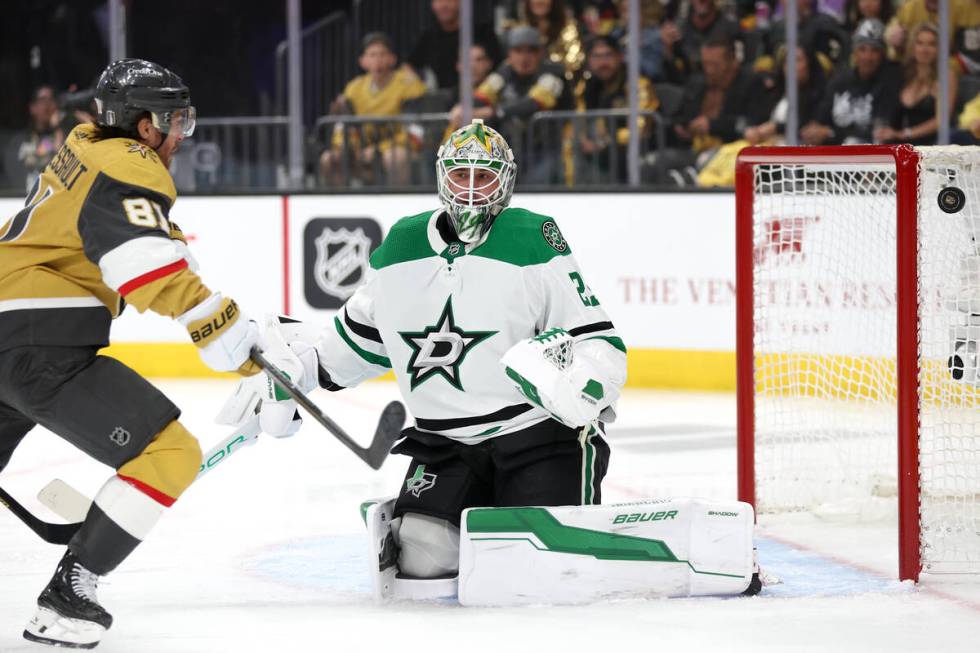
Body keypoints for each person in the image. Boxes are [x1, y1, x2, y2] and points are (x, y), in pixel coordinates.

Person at [238, 118, 626, 588]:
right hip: (446, 445)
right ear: (443, 177)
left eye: (483, 176)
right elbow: (351, 345)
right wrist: (293, 373)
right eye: (460, 175)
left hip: (537, 436)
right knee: (423, 561)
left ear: (505, 181)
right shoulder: (403, 243)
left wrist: (581, 388)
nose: (470, 189)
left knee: (538, 569)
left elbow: (599, 342)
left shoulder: (532, 237)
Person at [0, 59, 261, 649]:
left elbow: (152, 246)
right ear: (144, 126)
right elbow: (145, 266)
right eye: (175, 122)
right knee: (170, 453)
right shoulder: (130, 164)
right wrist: (229, 339)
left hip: (7, 330)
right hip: (37, 342)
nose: (178, 137)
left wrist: (245, 325)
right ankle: (69, 596)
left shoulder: (83, 145)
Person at [458, 25, 573, 183]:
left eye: (531, 51)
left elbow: (535, 103)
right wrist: (463, 108)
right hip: (511, 151)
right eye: (518, 51)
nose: (524, 58)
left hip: (547, 151)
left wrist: (494, 112)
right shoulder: (505, 72)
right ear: (509, 54)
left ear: (540, 53)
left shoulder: (553, 73)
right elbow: (484, 94)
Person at [320, 32, 427, 186]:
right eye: (372, 55)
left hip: (398, 149)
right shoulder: (353, 88)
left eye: (383, 54)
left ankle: (399, 207)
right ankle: (339, 206)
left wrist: (377, 150)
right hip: (362, 150)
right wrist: (350, 148)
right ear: (362, 61)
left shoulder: (409, 85)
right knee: (329, 158)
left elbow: (415, 132)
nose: (377, 60)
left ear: (392, 59)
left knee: (395, 157)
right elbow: (343, 128)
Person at [800, 18, 901, 145]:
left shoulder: (890, 82)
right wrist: (813, 129)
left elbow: (880, 132)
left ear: (883, 54)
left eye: (874, 50)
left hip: (871, 156)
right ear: (854, 52)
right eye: (862, 49)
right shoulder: (840, 81)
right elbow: (821, 117)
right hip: (833, 155)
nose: (867, 57)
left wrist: (831, 133)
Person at [575, 34, 660, 183]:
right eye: (597, 57)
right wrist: (582, 139)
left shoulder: (637, 85)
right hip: (598, 155)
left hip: (635, 153)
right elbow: (579, 119)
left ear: (620, 57)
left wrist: (602, 143)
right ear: (589, 61)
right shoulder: (588, 87)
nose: (603, 62)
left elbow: (640, 129)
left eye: (608, 55)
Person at [874, 23, 957, 146]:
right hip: (903, 145)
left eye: (931, 44)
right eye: (920, 43)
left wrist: (905, 134)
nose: (925, 49)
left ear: (939, 49)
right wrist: (886, 132)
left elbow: (942, 120)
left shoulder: (946, 76)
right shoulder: (904, 74)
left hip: (934, 147)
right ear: (913, 47)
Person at [406, 0, 503, 90]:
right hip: (446, 101)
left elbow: (501, 68)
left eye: (449, 0)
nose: (443, 5)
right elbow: (409, 67)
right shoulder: (428, 37)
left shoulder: (482, 32)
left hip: (484, 97)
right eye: (438, 1)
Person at [744, 46, 828, 144]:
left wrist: (776, 128)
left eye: (797, 60)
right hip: (767, 149)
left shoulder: (820, 96)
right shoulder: (774, 93)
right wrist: (752, 131)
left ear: (810, 64)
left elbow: (808, 127)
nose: (791, 66)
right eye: (787, 61)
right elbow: (756, 119)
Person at [661, 0, 742, 84]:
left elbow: (739, 67)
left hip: (723, 86)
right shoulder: (680, 28)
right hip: (688, 87)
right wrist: (667, 49)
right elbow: (674, 76)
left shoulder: (730, 28)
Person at [2, 86, 64, 193]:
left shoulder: (62, 136)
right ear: (32, 108)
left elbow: (64, 167)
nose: (48, 104)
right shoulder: (19, 141)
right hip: (20, 198)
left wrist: (57, 129)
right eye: (43, 100)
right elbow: (12, 172)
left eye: (51, 99)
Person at [521, 0, 587, 80]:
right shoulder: (521, 29)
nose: (539, 1)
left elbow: (574, 62)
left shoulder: (568, 27)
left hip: (562, 82)